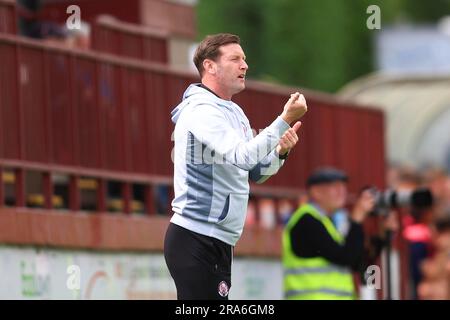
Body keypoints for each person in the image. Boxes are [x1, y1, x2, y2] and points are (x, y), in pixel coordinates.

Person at [164, 33, 308, 300]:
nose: (245, 65)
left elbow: (254, 171)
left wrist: (280, 152)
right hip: (195, 236)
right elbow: (243, 156)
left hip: (217, 240)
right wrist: (284, 119)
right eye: (235, 59)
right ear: (210, 66)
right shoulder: (200, 110)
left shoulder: (233, 111)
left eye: (244, 59)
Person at [282, 167, 378, 300]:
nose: (342, 192)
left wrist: (382, 236)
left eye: (343, 187)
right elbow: (345, 257)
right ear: (316, 192)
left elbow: (358, 262)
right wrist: (356, 220)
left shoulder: (331, 222)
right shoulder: (306, 221)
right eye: (335, 187)